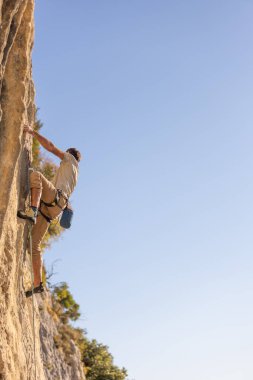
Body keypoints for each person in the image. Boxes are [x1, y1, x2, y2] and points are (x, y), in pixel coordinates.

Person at [18, 125, 81, 297]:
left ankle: (32, 211)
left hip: (53, 200)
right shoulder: (74, 175)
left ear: (70, 154)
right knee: (34, 245)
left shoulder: (70, 159)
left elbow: (51, 147)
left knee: (36, 175)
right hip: (53, 210)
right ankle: (38, 283)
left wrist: (32, 132)